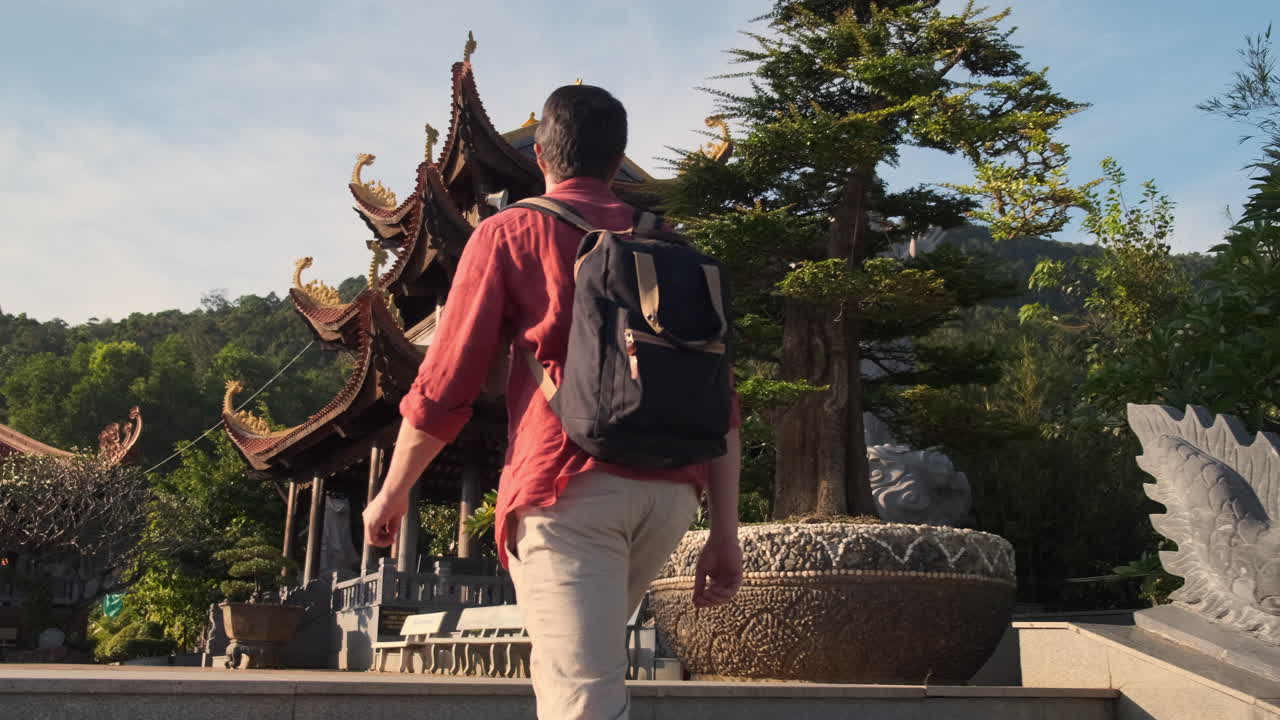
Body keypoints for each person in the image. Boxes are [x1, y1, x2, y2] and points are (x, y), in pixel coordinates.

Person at [362, 84, 743, 719]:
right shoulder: (671, 244)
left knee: (582, 698)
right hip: (673, 494)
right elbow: (720, 398)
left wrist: (395, 489)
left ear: (540, 155)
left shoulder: (509, 231)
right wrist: (722, 531)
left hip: (566, 485)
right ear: (619, 157)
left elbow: (446, 383)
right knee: (579, 676)